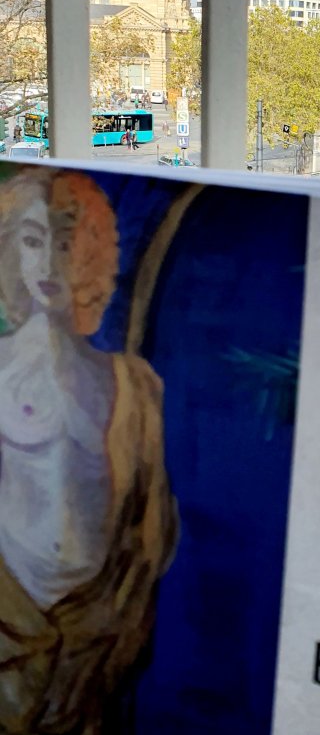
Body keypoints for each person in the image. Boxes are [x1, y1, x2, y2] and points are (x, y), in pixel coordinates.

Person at [0, 168, 177, 734]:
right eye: (34, 241)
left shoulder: (134, 386)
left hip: (94, 642)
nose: (51, 263)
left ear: (93, 248)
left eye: (67, 241)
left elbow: (150, 528)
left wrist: (115, 617)